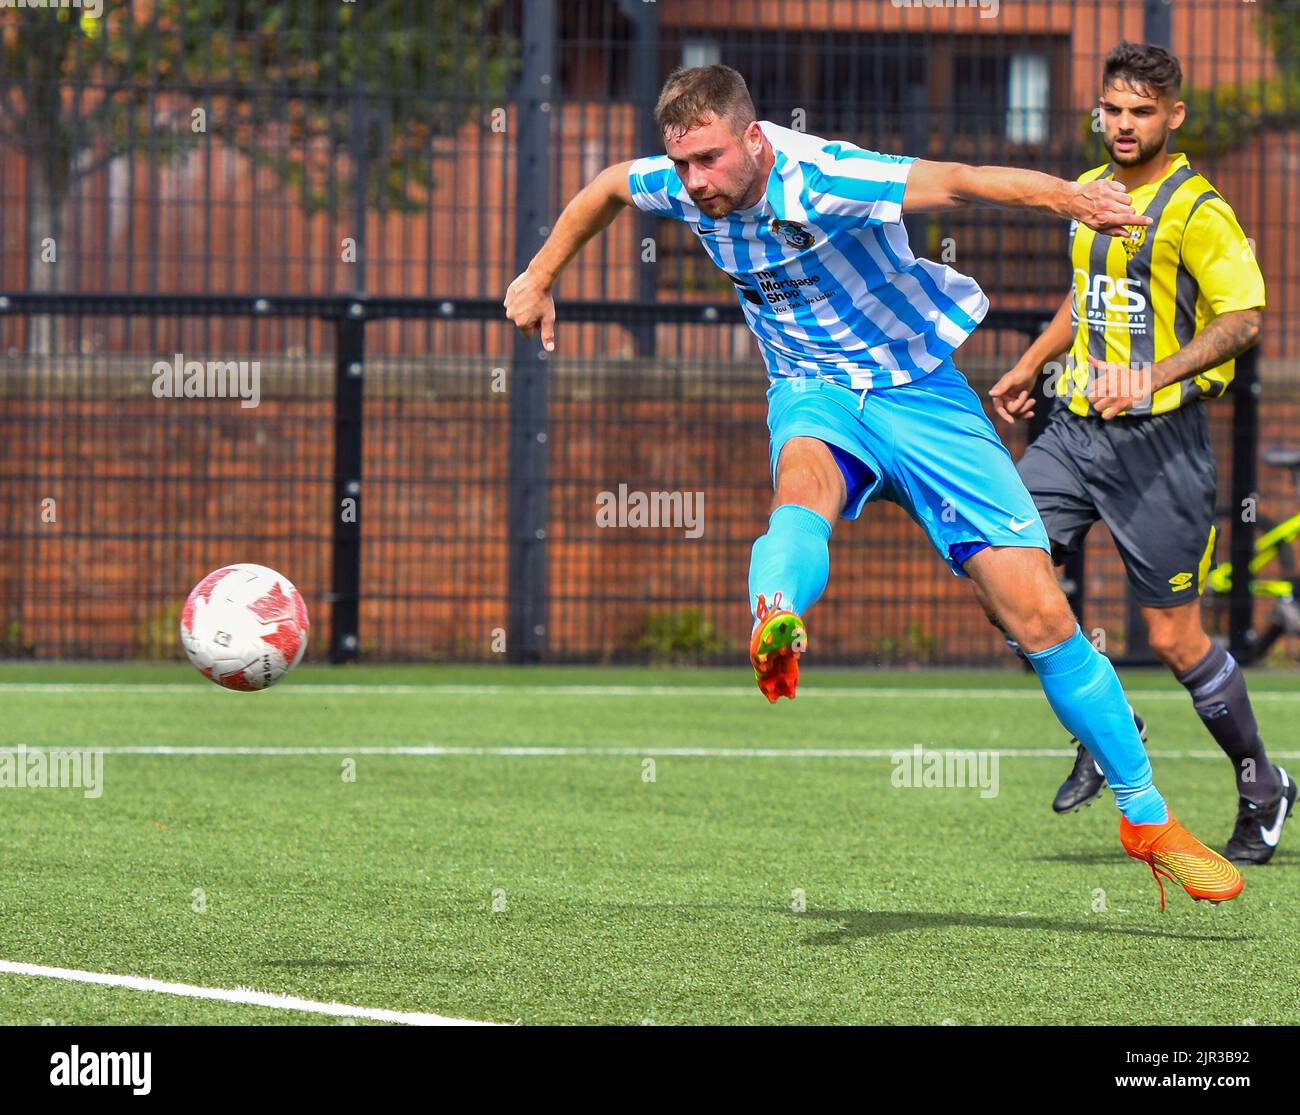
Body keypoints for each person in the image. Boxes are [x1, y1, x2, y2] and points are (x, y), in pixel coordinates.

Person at [504, 63, 1243, 908]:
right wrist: (539, 275)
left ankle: (1145, 816)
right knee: (801, 492)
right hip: (814, 393)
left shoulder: (825, 176)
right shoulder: (680, 186)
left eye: (708, 160)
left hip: (921, 391)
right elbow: (605, 186)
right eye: (682, 165)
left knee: (1040, 612)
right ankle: (776, 613)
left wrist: (1066, 198)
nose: (694, 183)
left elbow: (959, 182)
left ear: (754, 139)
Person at [985, 42, 1290, 866]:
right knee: (996, 562)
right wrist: (1025, 365)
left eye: (1141, 112)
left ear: (1173, 116)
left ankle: (1263, 781)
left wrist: (1153, 375)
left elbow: (1243, 320)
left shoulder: (1198, 209)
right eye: (1113, 110)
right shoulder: (1093, 192)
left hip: (1162, 448)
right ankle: (1107, 721)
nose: (1124, 125)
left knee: (1174, 638)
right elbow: (1085, 299)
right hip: (1075, 433)